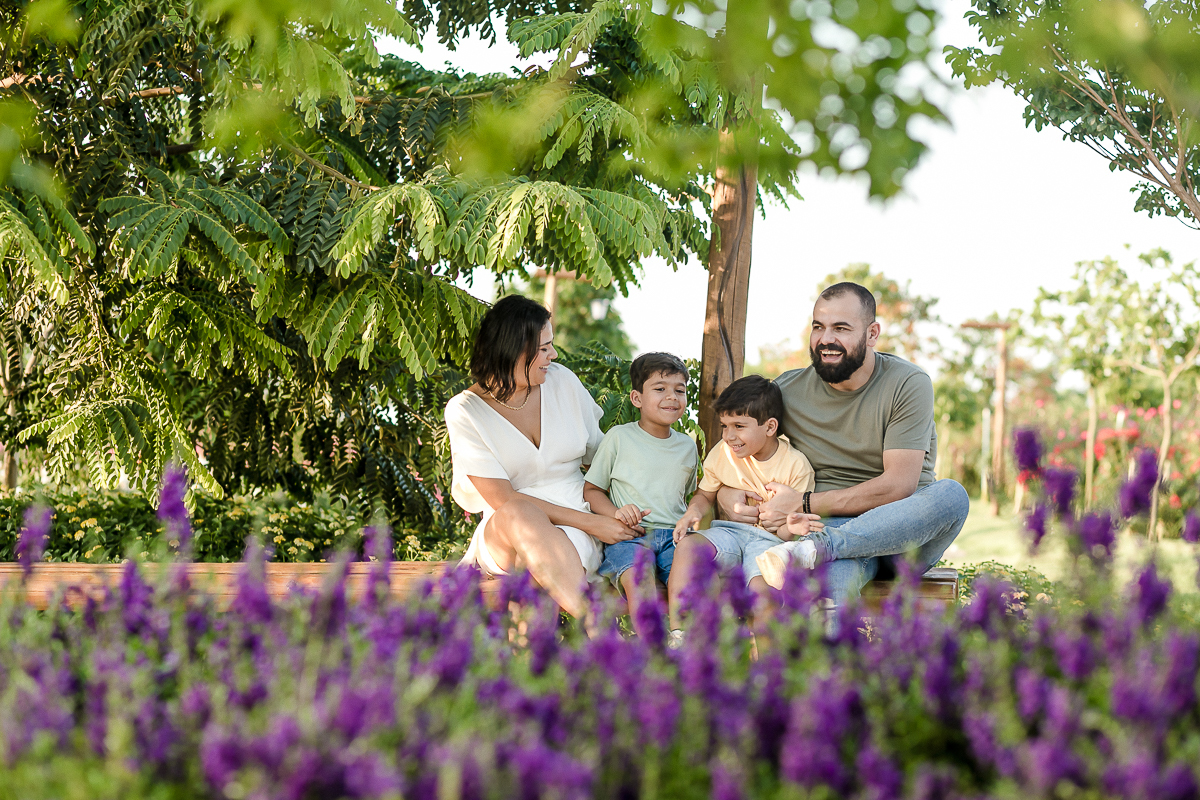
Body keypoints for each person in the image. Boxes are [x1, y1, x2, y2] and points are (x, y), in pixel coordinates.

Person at [719, 282, 969, 607]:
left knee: (952, 495)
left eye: (840, 328)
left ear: (872, 333)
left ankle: (824, 547)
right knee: (835, 582)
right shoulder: (785, 391)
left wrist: (804, 503)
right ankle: (825, 595)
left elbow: (899, 485)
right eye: (818, 327)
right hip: (820, 530)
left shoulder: (907, 383)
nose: (826, 339)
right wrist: (729, 496)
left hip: (903, 534)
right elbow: (735, 454)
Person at [445, 295, 640, 619]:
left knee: (534, 573)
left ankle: (575, 637)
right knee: (517, 512)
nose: (554, 354)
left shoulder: (562, 381)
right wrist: (594, 523)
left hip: (577, 524)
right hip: (510, 531)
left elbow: (601, 461)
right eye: (545, 348)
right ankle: (599, 628)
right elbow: (503, 499)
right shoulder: (465, 411)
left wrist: (624, 509)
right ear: (513, 351)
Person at [667, 375, 815, 639]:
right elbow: (705, 495)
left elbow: (787, 532)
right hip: (729, 532)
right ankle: (679, 636)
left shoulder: (796, 466)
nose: (729, 436)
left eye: (738, 426)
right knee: (688, 547)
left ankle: (767, 658)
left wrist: (792, 529)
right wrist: (693, 512)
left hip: (770, 542)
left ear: (770, 427)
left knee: (762, 590)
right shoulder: (723, 453)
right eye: (724, 426)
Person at [582, 353, 697, 621]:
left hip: (675, 538)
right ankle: (649, 645)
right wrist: (616, 513)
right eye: (660, 389)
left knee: (693, 585)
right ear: (636, 399)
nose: (672, 397)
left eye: (679, 390)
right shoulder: (619, 437)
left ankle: (682, 641)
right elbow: (592, 490)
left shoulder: (687, 446)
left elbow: (686, 497)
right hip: (630, 536)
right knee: (641, 583)